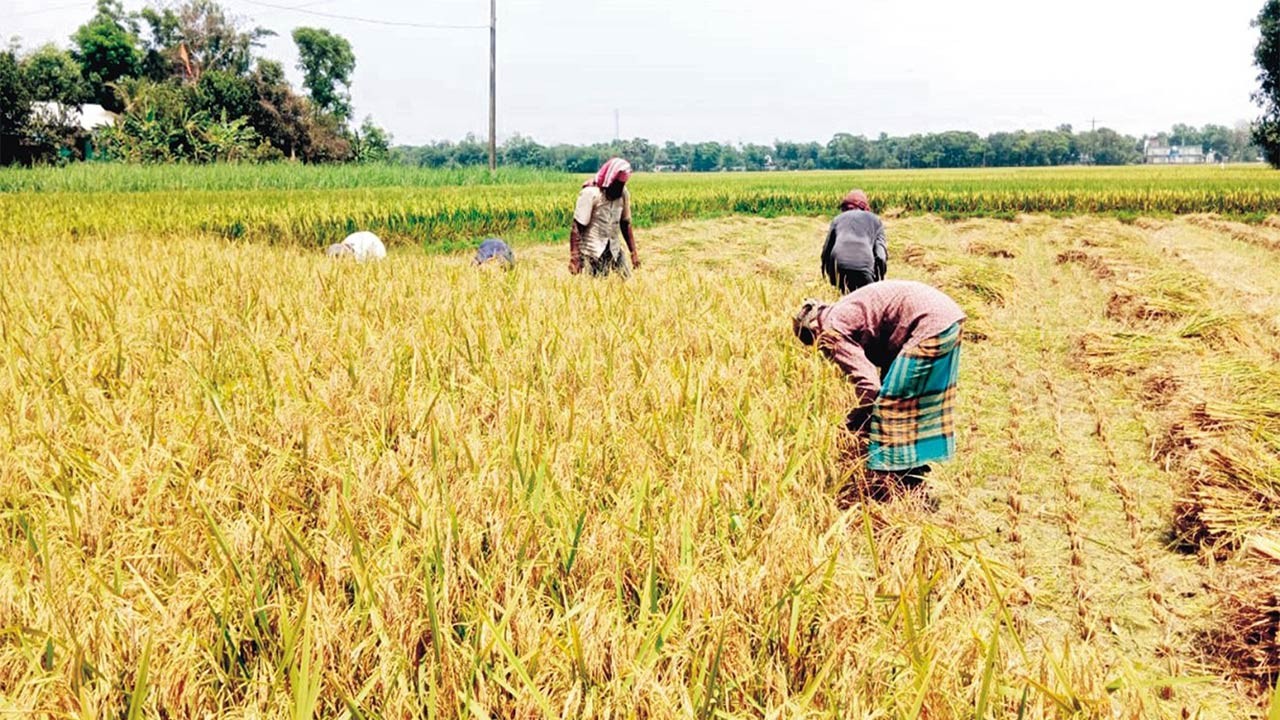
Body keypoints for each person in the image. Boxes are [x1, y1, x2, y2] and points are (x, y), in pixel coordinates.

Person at [793, 280, 965, 480]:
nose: (825, 353)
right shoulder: (839, 311)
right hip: (947, 316)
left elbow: (870, 386)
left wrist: (852, 423)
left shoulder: (831, 332)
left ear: (815, 332)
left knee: (890, 405)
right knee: (912, 399)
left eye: (819, 347)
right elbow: (887, 367)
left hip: (930, 324)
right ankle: (911, 467)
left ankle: (898, 476)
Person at [569, 158, 640, 277]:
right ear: (609, 180)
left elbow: (625, 223)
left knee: (627, 281)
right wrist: (575, 257)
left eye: (622, 185)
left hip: (614, 248)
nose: (619, 189)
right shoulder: (591, 194)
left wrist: (633, 253)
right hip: (592, 251)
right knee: (597, 284)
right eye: (616, 185)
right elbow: (577, 226)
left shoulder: (623, 194)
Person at [820, 189, 887, 293]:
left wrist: (827, 274)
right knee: (866, 297)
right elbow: (881, 256)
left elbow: (826, 251)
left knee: (844, 297)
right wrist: (879, 280)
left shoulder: (837, 219)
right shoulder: (875, 220)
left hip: (838, 267)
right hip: (864, 268)